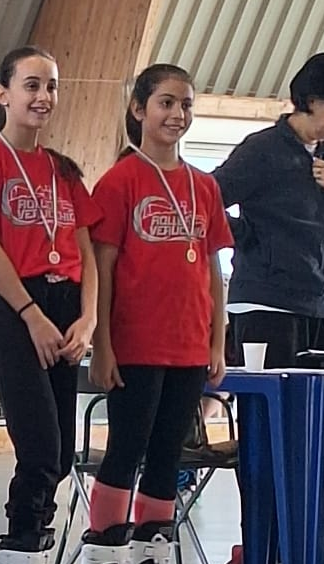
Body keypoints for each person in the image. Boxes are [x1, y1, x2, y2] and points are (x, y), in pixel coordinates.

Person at [82, 63, 233, 564]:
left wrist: (217, 341)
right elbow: (101, 269)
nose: (177, 114)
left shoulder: (204, 186)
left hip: (189, 345)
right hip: (135, 344)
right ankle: (105, 540)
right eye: (166, 103)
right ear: (139, 109)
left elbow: (213, 270)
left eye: (186, 104)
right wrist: (102, 346)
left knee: (170, 451)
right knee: (127, 447)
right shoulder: (119, 181)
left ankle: (154, 541)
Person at [0, 46, 100, 564]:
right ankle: (22, 539)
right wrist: (29, 314)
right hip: (18, 302)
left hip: (66, 304)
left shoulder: (63, 170)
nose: (43, 96)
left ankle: (37, 532)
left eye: (51, 86)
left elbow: (86, 250)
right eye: (32, 85)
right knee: (38, 444)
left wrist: (89, 318)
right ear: (3, 94)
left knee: (59, 452)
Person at [212, 52, 324, 564]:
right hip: (266, 304)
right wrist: (249, 237)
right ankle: (263, 546)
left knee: (313, 438)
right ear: (313, 101)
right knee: (268, 433)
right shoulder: (263, 150)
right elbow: (207, 199)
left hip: (316, 304)